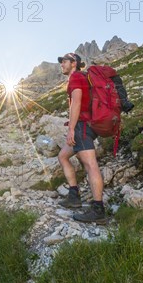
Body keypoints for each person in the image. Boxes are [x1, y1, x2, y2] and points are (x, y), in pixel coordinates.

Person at [57, 52, 107, 224]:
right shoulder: (80, 77)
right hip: (85, 125)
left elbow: (77, 102)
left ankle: (98, 209)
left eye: (64, 61)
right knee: (63, 156)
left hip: (82, 126)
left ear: (74, 62)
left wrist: (71, 129)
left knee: (90, 165)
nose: (61, 64)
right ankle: (74, 196)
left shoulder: (76, 77)